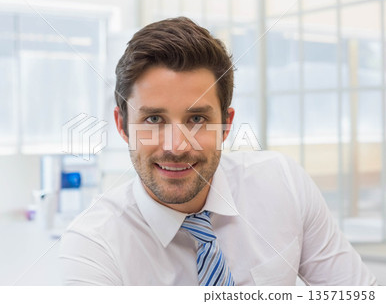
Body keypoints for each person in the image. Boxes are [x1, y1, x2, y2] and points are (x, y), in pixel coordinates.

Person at [59, 17, 377, 286]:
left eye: (197, 119)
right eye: (153, 119)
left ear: (226, 125)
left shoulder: (283, 182)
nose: (176, 146)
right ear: (123, 125)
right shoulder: (93, 245)